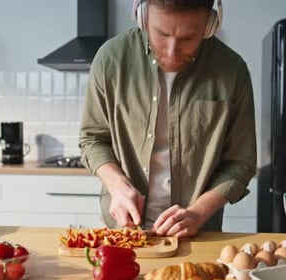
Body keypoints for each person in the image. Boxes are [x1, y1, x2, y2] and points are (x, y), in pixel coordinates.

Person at [79, 0, 256, 238]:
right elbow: (93, 139)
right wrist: (117, 186)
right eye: (161, 34)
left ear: (210, 25)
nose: (172, 51)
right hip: (123, 232)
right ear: (143, 17)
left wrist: (197, 213)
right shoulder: (110, 60)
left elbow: (240, 164)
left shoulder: (232, 71)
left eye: (187, 38)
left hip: (198, 234)